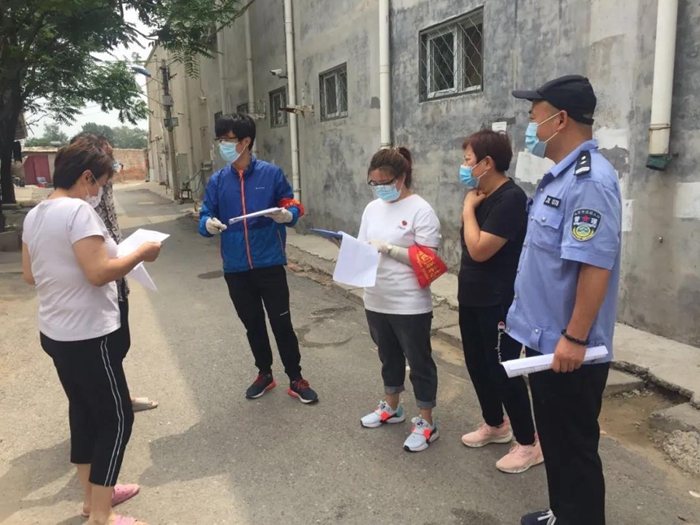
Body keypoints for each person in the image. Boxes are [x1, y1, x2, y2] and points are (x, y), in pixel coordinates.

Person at [22, 138, 162, 525]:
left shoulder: (36, 214)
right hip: (88, 335)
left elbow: (31, 275)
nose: (100, 190)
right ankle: (102, 514)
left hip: (55, 332)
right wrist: (141, 253)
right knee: (117, 420)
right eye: (100, 182)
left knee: (83, 412)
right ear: (86, 177)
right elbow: (99, 273)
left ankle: (93, 498)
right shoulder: (79, 212)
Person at [507, 75, 622, 525]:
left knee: (574, 447)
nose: (530, 126)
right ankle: (563, 513)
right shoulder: (561, 177)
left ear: (560, 120)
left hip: (569, 349)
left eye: (534, 117)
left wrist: (574, 338)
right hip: (547, 342)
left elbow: (595, 266)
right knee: (555, 441)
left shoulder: (589, 182)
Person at [199, 113, 318, 403]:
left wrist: (288, 214)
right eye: (220, 140)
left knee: (281, 323)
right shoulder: (217, 181)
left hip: (269, 263)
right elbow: (205, 215)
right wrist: (207, 224)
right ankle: (264, 373)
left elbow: (292, 204)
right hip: (236, 267)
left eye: (227, 139)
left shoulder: (270, 174)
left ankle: (296, 377)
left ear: (246, 141)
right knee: (252, 324)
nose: (222, 145)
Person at [457, 129, 543, 473]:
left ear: (487, 163)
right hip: (471, 296)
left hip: (498, 300)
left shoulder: (510, 199)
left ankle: (529, 442)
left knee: (502, 369)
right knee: (477, 364)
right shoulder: (482, 195)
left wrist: (467, 209)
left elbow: (479, 249)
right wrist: (471, 208)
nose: (464, 166)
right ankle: (495, 424)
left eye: (467, 160)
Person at [358, 147, 442, 453]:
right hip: (376, 298)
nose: (380, 188)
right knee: (388, 357)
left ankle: (427, 422)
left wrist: (390, 249)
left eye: (385, 182)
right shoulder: (372, 209)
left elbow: (429, 258)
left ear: (401, 177)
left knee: (419, 362)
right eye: (374, 183)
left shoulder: (421, 210)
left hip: (409, 303)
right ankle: (392, 406)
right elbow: (363, 246)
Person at [71, 132, 159, 413]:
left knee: (120, 345)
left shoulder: (103, 184)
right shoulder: (73, 203)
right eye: (107, 157)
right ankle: (109, 407)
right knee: (101, 353)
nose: (112, 165)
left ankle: (119, 397)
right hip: (95, 284)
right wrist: (139, 254)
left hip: (117, 276)